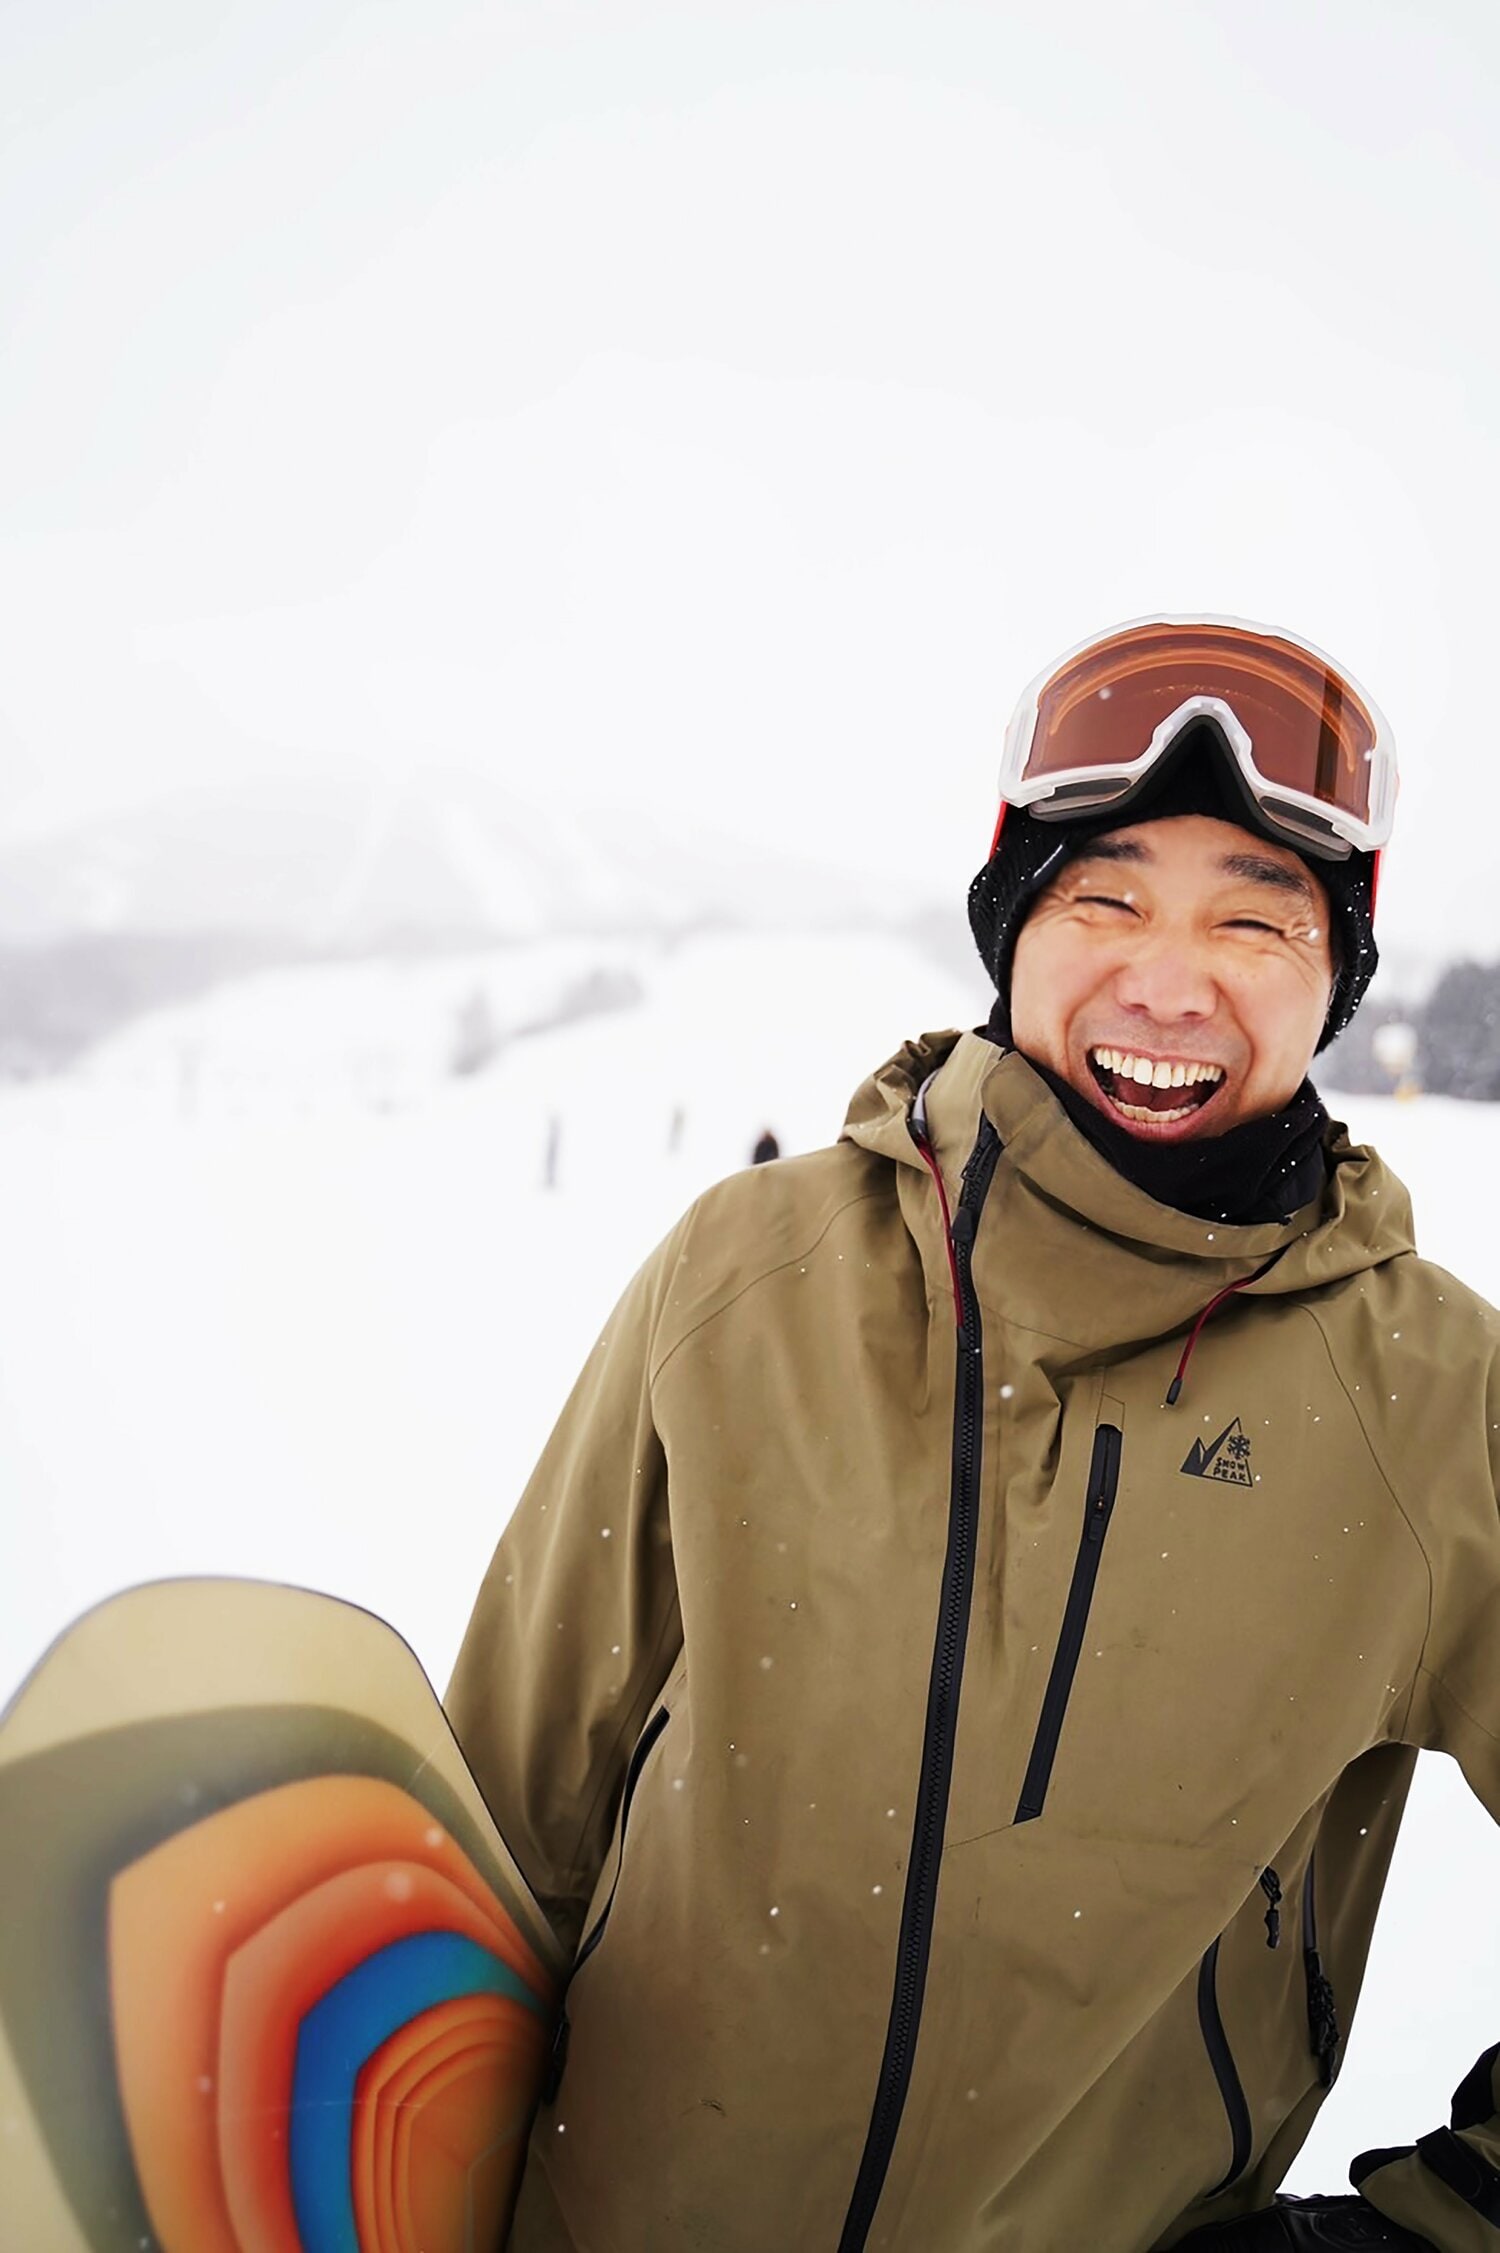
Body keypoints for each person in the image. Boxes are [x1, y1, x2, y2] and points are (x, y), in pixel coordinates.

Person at [447, 616, 1500, 2252]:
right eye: (1106, 895)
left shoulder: (1436, 1405)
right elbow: (495, 1832)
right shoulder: (750, 1277)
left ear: (1338, 975)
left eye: (1255, 915)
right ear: (1012, 922)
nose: (1170, 975)